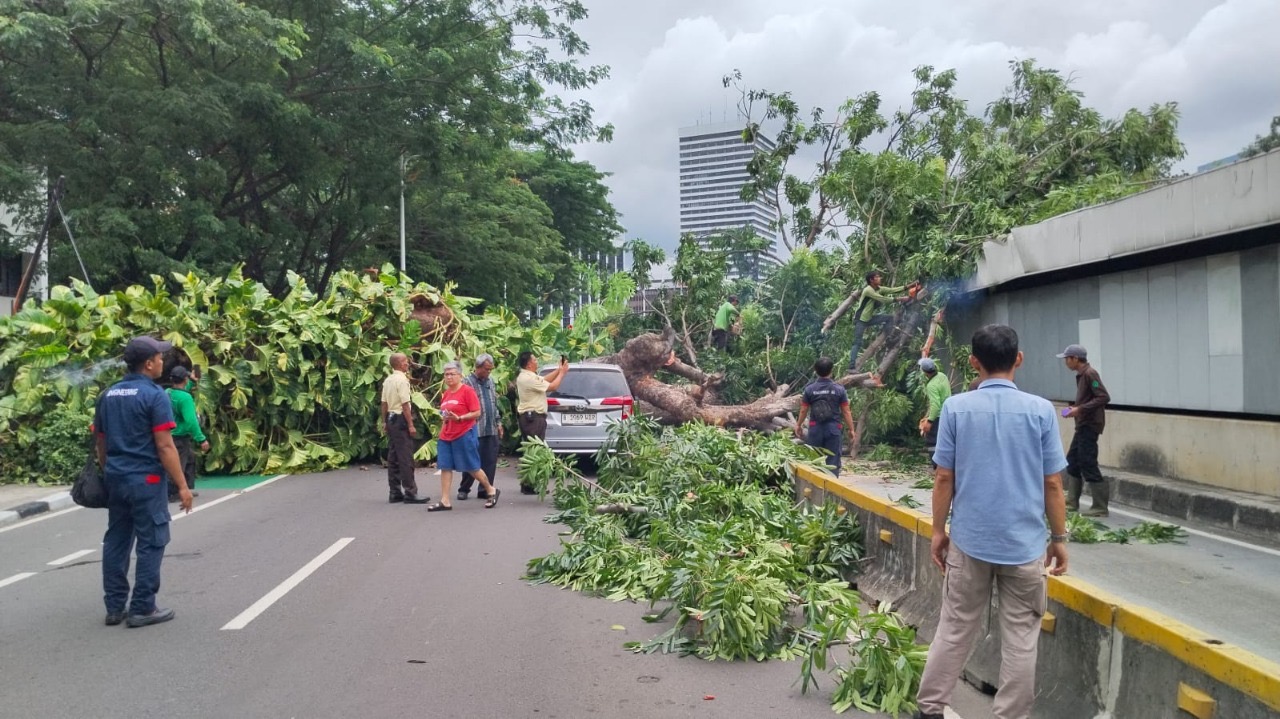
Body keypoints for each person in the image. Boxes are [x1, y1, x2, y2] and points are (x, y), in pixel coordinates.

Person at [914, 324, 1069, 719]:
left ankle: (930, 709)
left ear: (973, 363)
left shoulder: (956, 408)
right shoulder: (1041, 411)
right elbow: (1052, 482)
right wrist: (1059, 538)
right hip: (1025, 547)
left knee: (954, 629)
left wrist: (937, 531)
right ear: (1018, 359)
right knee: (1020, 640)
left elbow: (944, 477)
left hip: (970, 543)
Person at [93, 336, 194, 628]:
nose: (163, 361)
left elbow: (101, 442)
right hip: (146, 480)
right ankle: (142, 607)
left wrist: (110, 470)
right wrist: (183, 486)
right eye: (160, 358)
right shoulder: (154, 396)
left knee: (117, 540)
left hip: (116, 477)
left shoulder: (108, 395)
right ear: (149, 364)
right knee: (152, 541)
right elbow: (165, 446)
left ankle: (114, 607)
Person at [427, 361, 500, 511]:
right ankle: (445, 500)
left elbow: (477, 412)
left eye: (452, 374)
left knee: (472, 466)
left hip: (464, 433)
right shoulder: (446, 393)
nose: (449, 377)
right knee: (445, 466)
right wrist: (446, 417)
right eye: (446, 374)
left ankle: (491, 489)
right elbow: (444, 411)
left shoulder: (467, 391)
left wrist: (460, 418)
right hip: (446, 435)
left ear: (460, 375)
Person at [1056, 344, 1111, 516]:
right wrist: (1075, 408)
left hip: (1090, 424)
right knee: (1072, 460)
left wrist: (1080, 409)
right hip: (1082, 424)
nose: (1066, 362)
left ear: (1075, 359)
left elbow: (1103, 397)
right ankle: (1072, 501)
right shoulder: (1082, 375)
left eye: (1067, 358)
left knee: (1087, 462)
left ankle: (1100, 507)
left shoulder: (1090, 374)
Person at [514, 350, 569, 494]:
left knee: (532, 451)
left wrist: (558, 370)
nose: (537, 361)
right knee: (535, 452)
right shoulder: (528, 378)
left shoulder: (528, 376)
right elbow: (552, 387)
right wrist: (562, 373)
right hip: (533, 418)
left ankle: (528, 483)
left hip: (531, 418)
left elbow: (544, 380)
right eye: (535, 360)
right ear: (529, 364)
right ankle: (529, 484)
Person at [795, 357, 857, 475]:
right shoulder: (839, 389)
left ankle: (814, 489)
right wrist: (851, 429)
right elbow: (846, 411)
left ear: (815, 370)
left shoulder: (810, 389)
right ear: (831, 371)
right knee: (832, 461)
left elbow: (803, 410)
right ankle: (830, 490)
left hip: (815, 429)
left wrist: (798, 425)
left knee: (814, 460)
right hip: (833, 429)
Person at [381, 353, 428, 504]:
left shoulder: (388, 380)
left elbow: (384, 403)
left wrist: (384, 422)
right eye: (405, 361)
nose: (407, 363)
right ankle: (410, 492)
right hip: (401, 419)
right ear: (400, 364)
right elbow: (405, 405)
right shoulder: (402, 380)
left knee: (393, 456)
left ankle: (394, 492)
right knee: (406, 457)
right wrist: (410, 424)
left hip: (391, 418)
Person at [458, 353, 503, 501]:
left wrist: (499, 423)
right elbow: (463, 406)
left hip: (490, 427)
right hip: (474, 428)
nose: (489, 372)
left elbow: (493, 404)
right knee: (471, 460)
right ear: (478, 367)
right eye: (487, 369)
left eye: (491, 369)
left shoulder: (490, 381)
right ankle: (464, 488)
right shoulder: (467, 383)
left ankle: (485, 489)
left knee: (490, 461)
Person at [848, 270, 913, 370]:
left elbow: (893, 290)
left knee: (889, 318)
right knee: (857, 342)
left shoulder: (878, 288)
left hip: (869, 318)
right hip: (860, 320)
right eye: (877, 277)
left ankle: (889, 338)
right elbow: (883, 299)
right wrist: (900, 299)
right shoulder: (868, 290)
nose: (880, 278)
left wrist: (910, 286)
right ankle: (851, 366)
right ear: (871, 280)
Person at [166, 366, 207, 502]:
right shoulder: (185, 398)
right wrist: (201, 439)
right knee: (179, 464)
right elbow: (191, 421)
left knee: (189, 460)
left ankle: (186, 488)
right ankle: (173, 492)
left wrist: (192, 381)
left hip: (168, 435)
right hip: (179, 436)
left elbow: (180, 393)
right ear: (184, 378)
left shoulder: (168, 392)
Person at [918, 357, 951, 466]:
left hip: (938, 417)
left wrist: (930, 421)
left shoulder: (931, 386)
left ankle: (936, 466)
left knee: (932, 441)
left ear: (924, 372)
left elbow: (935, 405)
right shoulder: (942, 376)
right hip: (947, 413)